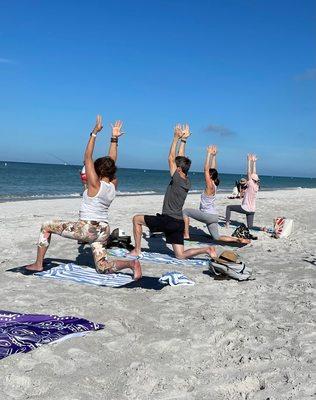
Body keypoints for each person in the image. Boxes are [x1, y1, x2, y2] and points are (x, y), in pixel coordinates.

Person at [26, 115, 142, 280]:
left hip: (87, 229)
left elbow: (88, 157)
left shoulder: (95, 185)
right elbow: (111, 161)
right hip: (103, 230)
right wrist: (114, 139)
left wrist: (94, 133)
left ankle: (38, 264)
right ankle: (131, 264)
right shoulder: (113, 185)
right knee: (102, 267)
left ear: (98, 172)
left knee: (46, 226)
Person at [129, 124, 217, 260]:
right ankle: (207, 249)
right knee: (180, 255)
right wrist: (184, 140)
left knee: (136, 219)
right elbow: (179, 160)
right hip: (178, 222)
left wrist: (175, 138)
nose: (175, 167)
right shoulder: (187, 181)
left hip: (168, 220)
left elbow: (171, 158)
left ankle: (137, 250)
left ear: (179, 170)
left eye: (177, 167)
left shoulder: (176, 177)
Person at [183, 145, 250, 244]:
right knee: (216, 237)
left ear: (210, 175)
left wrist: (208, 154)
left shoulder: (210, 185)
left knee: (185, 211)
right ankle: (238, 240)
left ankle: (186, 234)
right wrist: (214, 156)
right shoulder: (215, 184)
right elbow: (214, 169)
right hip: (214, 216)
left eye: (208, 174)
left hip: (207, 215)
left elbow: (206, 169)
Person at [225, 153, 259, 229]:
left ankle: (227, 224)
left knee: (229, 207)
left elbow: (249, 173)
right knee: (250, 227)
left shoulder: (251, 184)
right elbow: (254, 173)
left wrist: (248, 161)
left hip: (245, 208)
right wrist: (254, 162)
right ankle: (263, 229)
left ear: (252, 180)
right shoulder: (256, 186)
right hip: (252, 210)